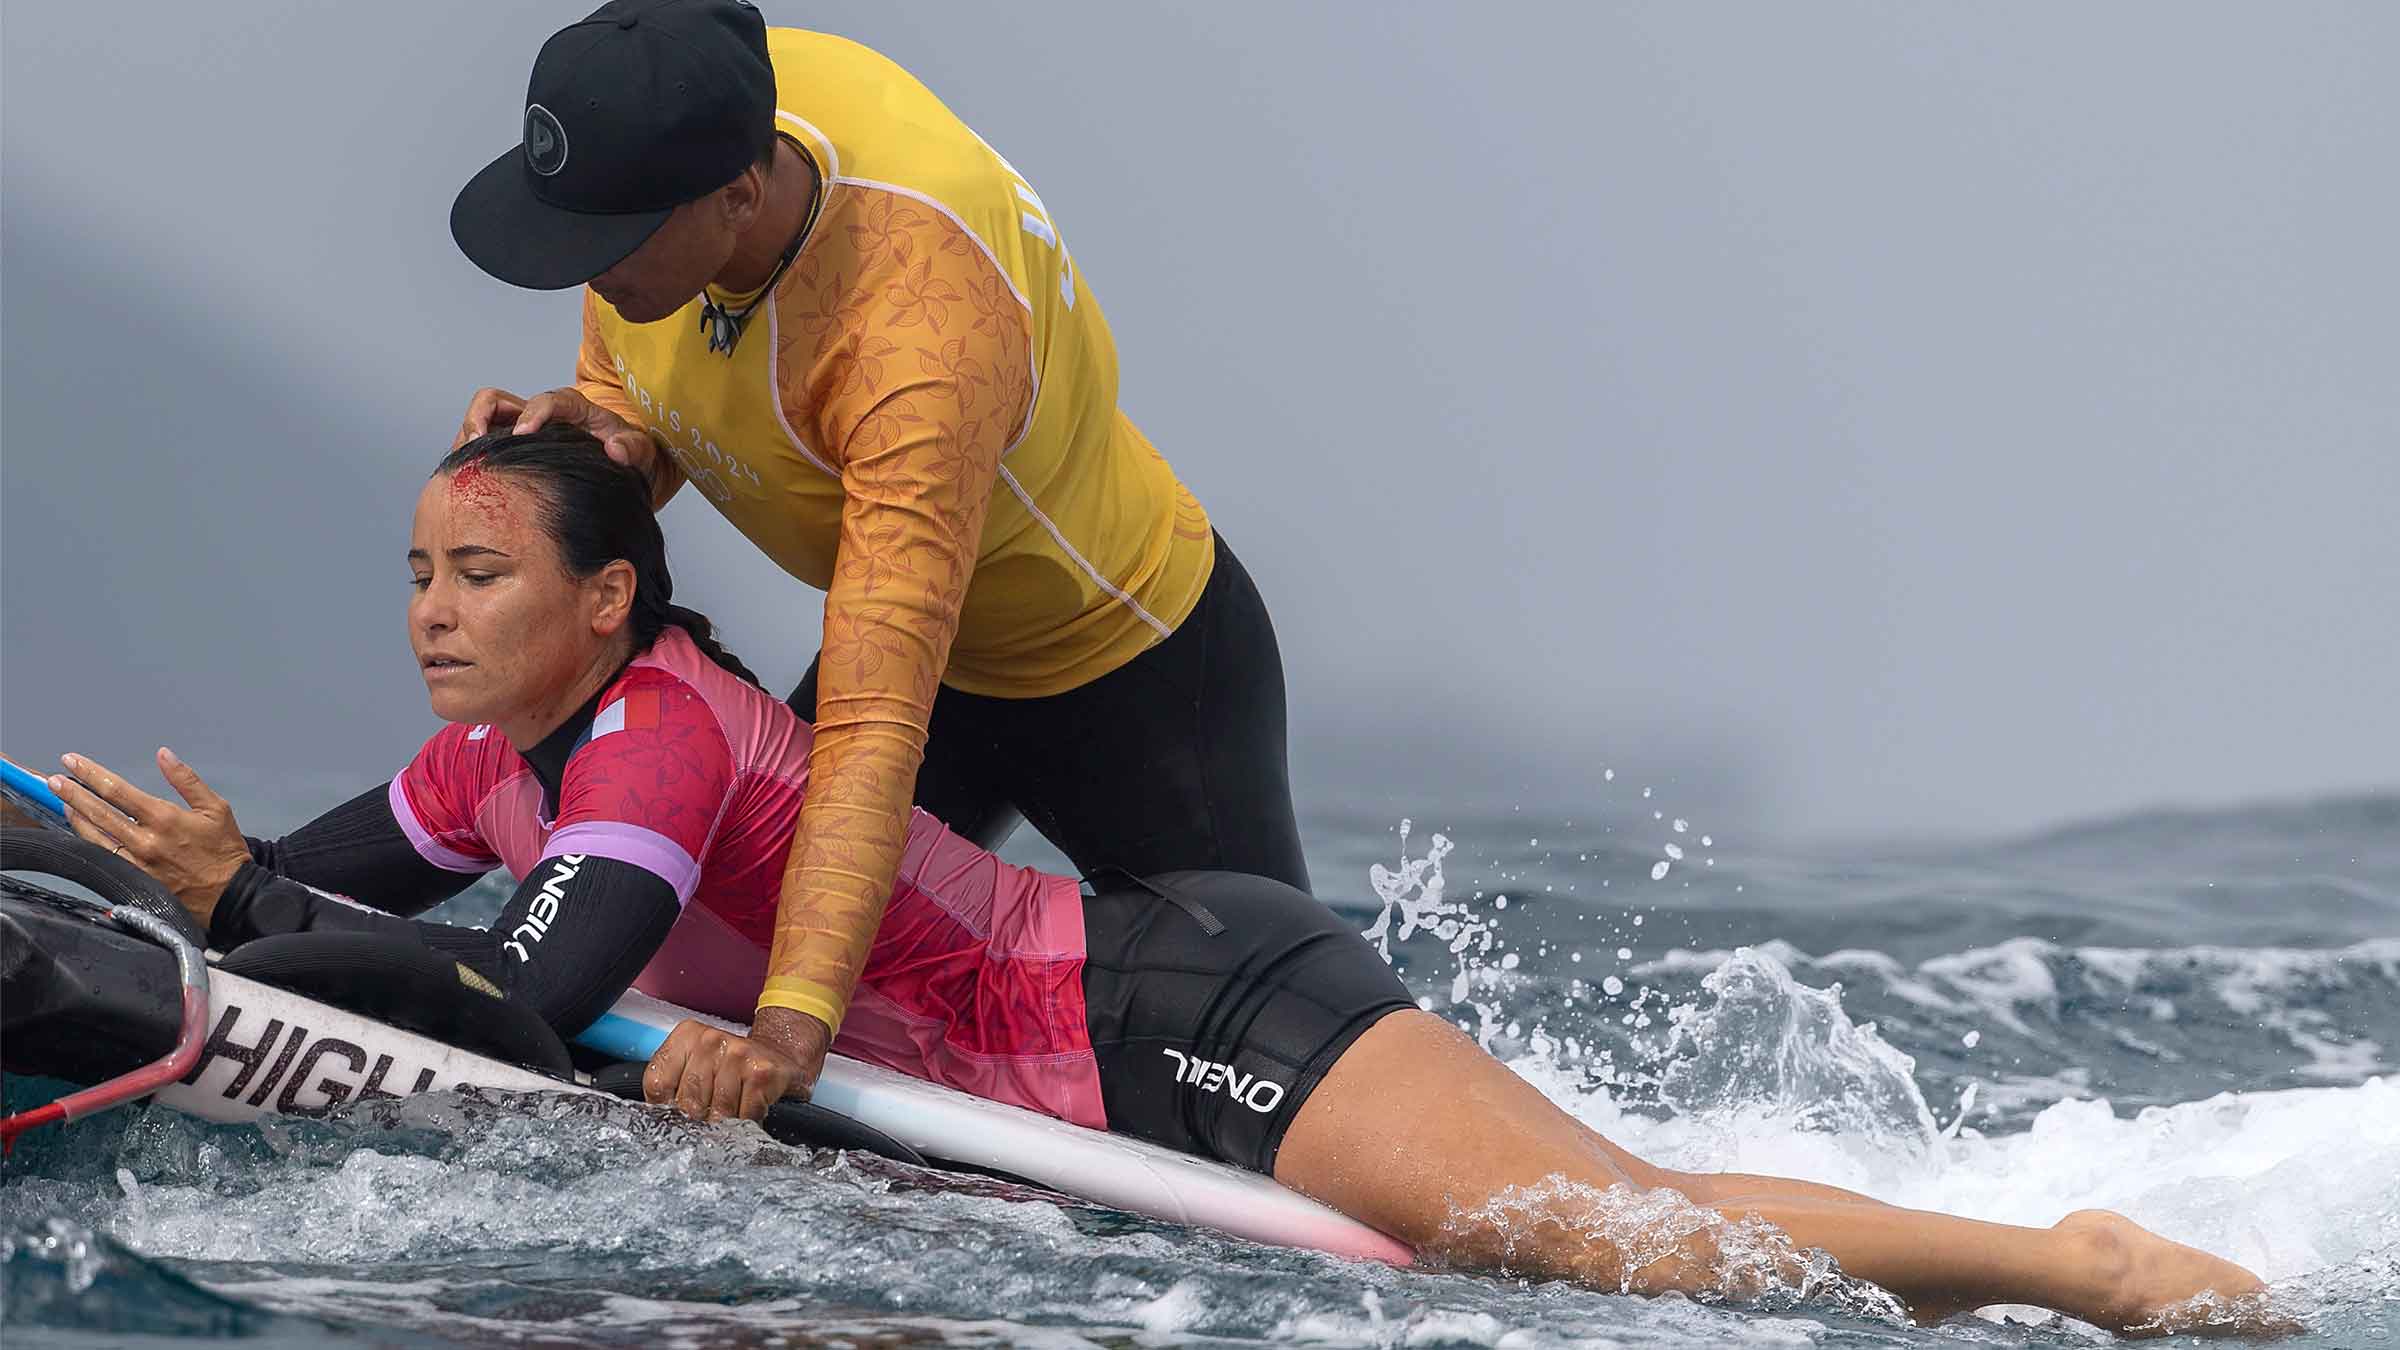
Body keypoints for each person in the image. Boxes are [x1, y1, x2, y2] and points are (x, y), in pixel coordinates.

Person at [50, 428, 2273, 1334]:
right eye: (416, 574)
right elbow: (299, 887)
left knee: (1606, 1248)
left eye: (479, 575)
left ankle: (2071, 1264)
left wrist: (247, 909)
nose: (432, 613)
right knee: (1628, 1230)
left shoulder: (653, 740)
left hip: (1182, 1017)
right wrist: (198, 881)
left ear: (615, 598)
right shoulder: (487, 764)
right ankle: (2013, 1259)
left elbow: (523, 1006)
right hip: (1073, 1080)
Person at [445, 0, 1302, 1108]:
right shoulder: (676, 119)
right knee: (733, 942)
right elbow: (648, 391)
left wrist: (789, 1037)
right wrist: (603, 448)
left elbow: (873, 717)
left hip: (1128, 678)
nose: (585, 270)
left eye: (605, 241)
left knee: (1281, 1057)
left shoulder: (917, 335)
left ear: (738, 198)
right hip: (930, 669)